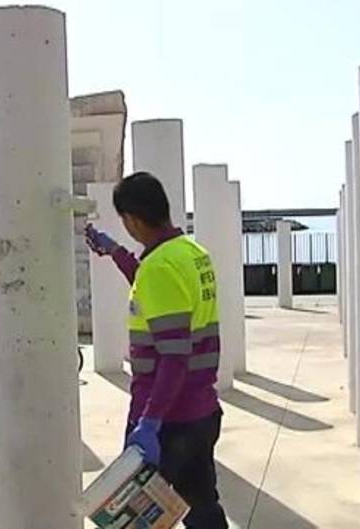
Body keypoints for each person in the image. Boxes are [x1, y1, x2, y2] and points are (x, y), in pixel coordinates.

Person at [86, 171, 228, 528]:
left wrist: (149, 421)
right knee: (203, 510)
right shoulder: (191, 253)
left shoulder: (159, 268)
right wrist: (117, 253)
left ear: (132, 219)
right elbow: (161, 297)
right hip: (200, 413)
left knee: (133, 519)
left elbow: (174, 357)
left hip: (169, 421)